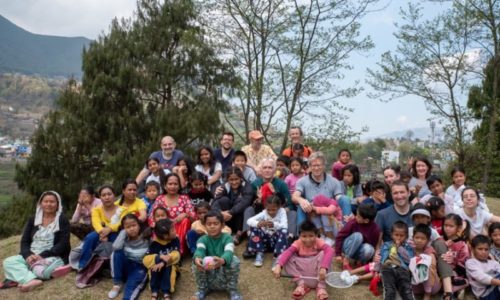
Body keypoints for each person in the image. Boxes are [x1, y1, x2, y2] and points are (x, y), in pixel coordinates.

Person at [1, 191, 71, 292]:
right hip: (32, 255)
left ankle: (24, 275)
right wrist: (28, 255)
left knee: (42, 271)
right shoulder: (33, 219)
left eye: (52, 202)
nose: (48, 204)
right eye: (45, 201)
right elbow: (24, 241)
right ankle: (32, 280)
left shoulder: (62, 220)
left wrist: (41, 255)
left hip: (51, 255)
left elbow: (63, 244)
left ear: (57, 204)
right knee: (8, 262)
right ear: (41, 203)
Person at [243, 158, 296, 248]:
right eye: (265, 168)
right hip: (261, 213)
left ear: (274, 170)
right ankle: (250, 236)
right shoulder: (255, 184)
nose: (267, 170)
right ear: (261, 170)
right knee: (248, 209)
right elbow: (250, 203)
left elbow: (290, 204)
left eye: (270, 168)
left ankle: (289, 238)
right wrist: (258, 200)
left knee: (293, 213)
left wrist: (281, 208)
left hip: (278, 214)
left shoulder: (281, 184)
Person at [273, 220, 333, 300]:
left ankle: (321, 287)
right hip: (302, 275)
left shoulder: (319, 241)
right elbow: (288, 252)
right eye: (304, 236)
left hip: (318, 275)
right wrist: (278, 265)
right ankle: (301, 285)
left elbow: (330, 250)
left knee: (324, 254)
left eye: (311, 236)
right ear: (299, 236)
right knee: (288, 257)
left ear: (316, 235)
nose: (308, 239)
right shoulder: (298, 243)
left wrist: (323, 267)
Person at [191, 210, 242, 300]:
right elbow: (200, 250)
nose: (212, 226)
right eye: (209, 224)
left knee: (234, 260)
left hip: (223, 275)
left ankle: (232, 290)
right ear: (205, 226)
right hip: (209, 275)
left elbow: (229, 252)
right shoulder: (202, 239)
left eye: (216, 223)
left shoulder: (227, 238)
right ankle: (203, 289)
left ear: (222, 225)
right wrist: (197, 258)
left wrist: (222, 260)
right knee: (196, 263)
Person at [78, 185, 126, 270]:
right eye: (103, 195)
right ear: (100, 197)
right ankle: (82, 265)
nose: (107, 197)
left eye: (109, 194)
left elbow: (121, 223)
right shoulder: (96, 210)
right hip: (101, 233)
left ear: (114, 195)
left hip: (117, 233)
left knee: (117, 241)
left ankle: (113, 265)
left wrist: (109, 229)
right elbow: (96, 223)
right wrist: (103, 233)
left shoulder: (123, 209)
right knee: (90, 237)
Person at [292, 151, 342, 233]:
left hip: (328, 213)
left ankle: (344, 229)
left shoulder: (334, 181)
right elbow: (294, 196)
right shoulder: (302, 181)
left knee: (344, 199)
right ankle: (301, 235)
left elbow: (339, 199)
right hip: (311, 213)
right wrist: (301, 200)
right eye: (313, 165)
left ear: (323, 166)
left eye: (318, 165)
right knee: (301, 207)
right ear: (309, 167)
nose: (316, 168)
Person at [148, 173, 195, 256]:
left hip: (180, 228)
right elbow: (152, 216)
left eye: (175, 184)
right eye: (170, 184)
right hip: (164, 229)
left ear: (179, 186)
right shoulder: (160, 198)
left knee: (186, 220)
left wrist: (185, 214)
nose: (173, 186)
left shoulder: (184, 198)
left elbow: (193, 215)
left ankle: (179, 250)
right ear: (165, 185)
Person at [108, 214, 150, 300]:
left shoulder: (147, 237)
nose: (131, 229)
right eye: (128, 227)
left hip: (139, 268)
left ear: (139, 225)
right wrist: (123, 232)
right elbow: (115, 247)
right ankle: (117, 284)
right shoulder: (124, 236)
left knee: (129, 291)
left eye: (134, 225)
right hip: (126, 266)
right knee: (117, 253)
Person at [212, 167, 254, 245]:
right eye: (231, 179)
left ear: (241, 178)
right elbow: (215, 203)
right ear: (227, 179)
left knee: (240, 203)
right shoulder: (224, 186)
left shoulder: (247, 187)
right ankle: (224, 229)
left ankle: (239, 233)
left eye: (236, 179)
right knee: (224, 200)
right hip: (227, 218)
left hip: (239, 218)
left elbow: (245, 202)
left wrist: (231, 212)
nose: (234, 182)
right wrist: (221, 213)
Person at [143, 218, 181, 300]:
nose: (175, 231)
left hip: (171, 266)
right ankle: (154, 290)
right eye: (173, 230)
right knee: (154, 265)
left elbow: (176, 255)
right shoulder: (154, 243)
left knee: (167, 266)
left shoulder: (175, 239)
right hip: (157, 266)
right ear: (165, 235)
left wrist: (163, 262)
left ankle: (166, 291)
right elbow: (145, 259)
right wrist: (159, 257)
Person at [246, 195, 288, 267]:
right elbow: (249, 220)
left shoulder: (282, 212)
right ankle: (259, 252)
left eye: (274, 209)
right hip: (265, 242)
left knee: (284, 231)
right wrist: (258, 223)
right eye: (268, 209)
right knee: (254, 228)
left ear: (279, 207)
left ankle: (277, 256)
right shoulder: (264, 213)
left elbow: (285, 226)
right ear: (265, 207)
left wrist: (274, 224)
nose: (271, 212)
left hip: (277, 242)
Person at [335, 204, 380, 271]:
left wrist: (369, 262)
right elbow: (340, 236)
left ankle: (360, 262)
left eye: (358, 216)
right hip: (347, 246)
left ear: (366, 220)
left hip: (358, 251)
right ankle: (346, 260)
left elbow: (373, 244)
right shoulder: (353, 222)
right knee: (358, 236)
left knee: (370, 249)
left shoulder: (375, 229)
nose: (356, 217)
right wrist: (338, 253)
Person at [379, 221, 415, 300]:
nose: (398, 237)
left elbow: (409, 260)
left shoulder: (408, 247)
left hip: (403, 269)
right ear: (391, 235)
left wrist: (400, 248)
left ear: (406, 236)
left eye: (401, 235)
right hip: (388, 268)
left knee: (406, 291)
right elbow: (382, 258)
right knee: (390, 291)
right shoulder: (386, 245)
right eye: (396, 235)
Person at [410, 224, 441, 300]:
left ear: (428, 241)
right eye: (417, 237)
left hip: (431, 286)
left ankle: (427, 295)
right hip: (415, 285)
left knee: (425, 265)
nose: (419, 240)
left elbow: (432, 265)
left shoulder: (429, 251)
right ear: (413, 238)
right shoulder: (409, 249)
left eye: (423, 238)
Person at [441, 214, 470, 294]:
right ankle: (456, 288)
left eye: (451, 226)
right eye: (445, 225)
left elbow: (463, 263)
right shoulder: (441, 239)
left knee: (456, 278)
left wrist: (454, 262)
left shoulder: (462, 245)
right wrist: (444, 246)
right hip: (442, 269)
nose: (447, 228)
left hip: (455, 271)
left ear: (459, 228)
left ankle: (455, 287)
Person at [465, 235, 500, 300]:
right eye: (480, 249)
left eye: (486, 249)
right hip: (484, 294)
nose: (483, 252)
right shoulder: (470, 263)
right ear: (473, 249)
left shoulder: (494, 262)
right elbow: (482, 277)